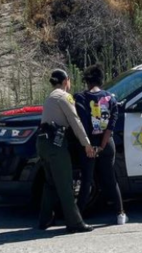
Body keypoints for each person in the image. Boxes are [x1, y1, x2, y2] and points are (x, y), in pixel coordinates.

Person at [37, 69, 95, 233]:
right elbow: (74, 121)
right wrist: (86, 143)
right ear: (66, 81)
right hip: (56, 145)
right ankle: (75, 223)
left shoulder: (50, 97)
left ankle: (45, 219)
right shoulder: (64, 96)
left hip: (42, 143)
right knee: (65, 185)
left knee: (50, 183)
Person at [75, 64, 128, 225]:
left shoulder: (81, 98)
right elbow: (110, 127)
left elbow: (82, 124)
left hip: (89, 144)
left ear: (87, 82)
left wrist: (90, 146)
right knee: (110, 179)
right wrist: (102, 146)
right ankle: (120, 213)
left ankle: (78, 216)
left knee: (87, 179)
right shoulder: (111, 98)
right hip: (107, 144)